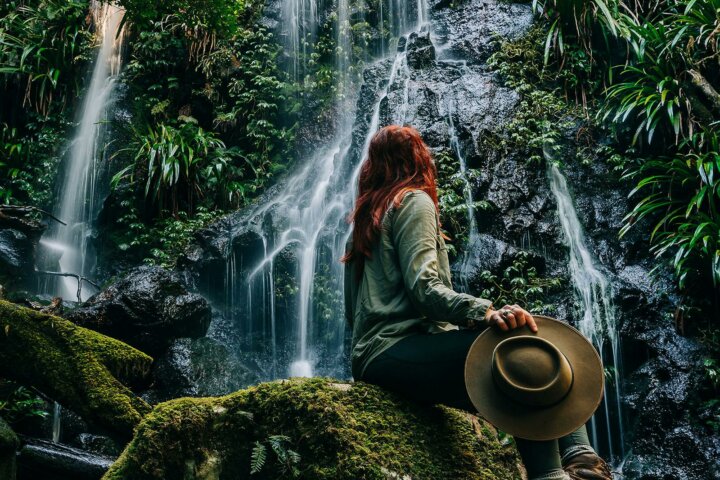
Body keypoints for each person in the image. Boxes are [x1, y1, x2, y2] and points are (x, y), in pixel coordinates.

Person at [341, 125, 612, 480]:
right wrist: (484, 312)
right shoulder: (412, 201)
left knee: (516, 359)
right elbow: (425, 289)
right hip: (398, 348)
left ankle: (575, 461)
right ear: (421, 160)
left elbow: (352, 314)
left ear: (372, 167)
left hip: (372, 358)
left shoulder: (361, 225)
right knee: (521, 348)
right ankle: (568, 466)